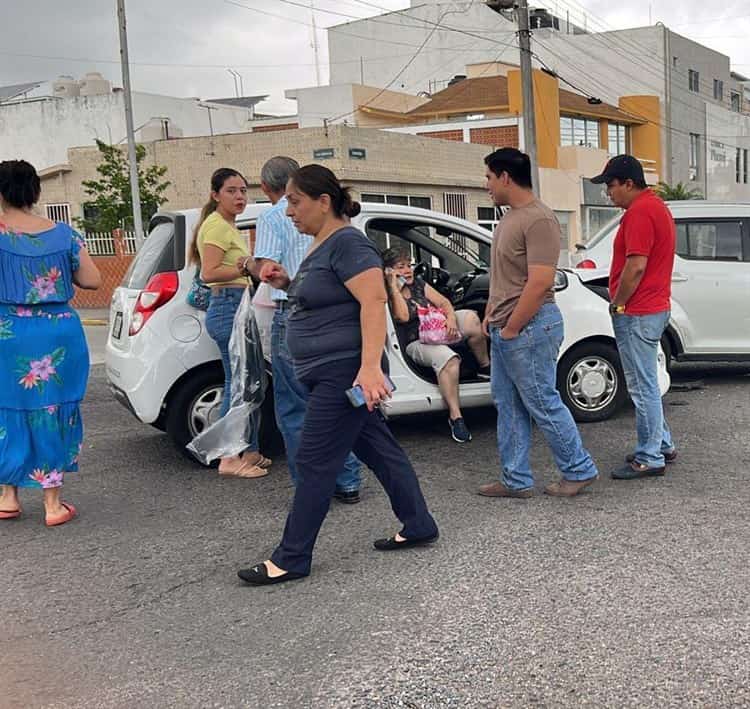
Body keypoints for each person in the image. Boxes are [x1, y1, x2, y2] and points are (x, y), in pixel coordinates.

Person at [237, 164, 439, 585]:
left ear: (323, 201)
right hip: (332, 370)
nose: (289, 211)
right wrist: (287, 280)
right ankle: (418, 523)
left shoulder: (349, 244)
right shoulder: (322, 244)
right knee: (379, 450)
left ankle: (292, 556)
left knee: (314, 459)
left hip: (344, 373)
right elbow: (327, 300)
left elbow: (372, 303)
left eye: (295, 201)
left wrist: (367, 369)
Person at [478, 148, 599, 498]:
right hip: (507, 327)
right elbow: (503, 276)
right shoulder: (508, 218)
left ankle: (578, 469)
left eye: (488, 177)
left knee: (542, 403)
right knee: (509, 404)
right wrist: (491, 313)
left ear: (505, 177)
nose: (486, 184)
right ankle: (515, 479)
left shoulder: (539, 219)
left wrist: (513, 326)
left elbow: (540, 281)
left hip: (529, 327)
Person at [247, 156, 362, 503]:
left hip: (294, 311)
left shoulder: (272, 215)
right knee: (338, 402)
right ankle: (348, 479)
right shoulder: (339, 222)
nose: (290, 211)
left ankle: (312, 487)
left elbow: (266, 266)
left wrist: (248, 264)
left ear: (268, 187)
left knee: (296, 406)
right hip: (338, 316)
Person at [0, 160, 101, 526]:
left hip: (7, 332)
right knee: (52, 408)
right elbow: (92, 279)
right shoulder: (65, 235)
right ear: (36, 192)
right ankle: (52, 503)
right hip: (56, 331)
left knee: (7, 408)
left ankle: (8, 496)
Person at [589, 155, 677, 479]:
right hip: (651, 307)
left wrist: (618, 303)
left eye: (611, 186)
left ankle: (650, 457)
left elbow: (636, 265)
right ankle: (662, 444)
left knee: (642, 387)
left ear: (629, 183)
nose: (608, 193)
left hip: (638, 310)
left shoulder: (640, 212)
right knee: (647, 382)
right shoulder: (655, 207)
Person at [189, 168, 270, 478]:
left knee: (246, 382)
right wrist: (246, 268)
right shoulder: (217, 228)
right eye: (231, 191)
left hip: (236, 307)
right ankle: (228, 458)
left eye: (242, 191)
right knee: (238, 385)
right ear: (215, 195)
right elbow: (209, 273)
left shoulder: (225, 226)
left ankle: (249, 450)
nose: (239, 197)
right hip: (227, 307)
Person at [382, 247, 490, 443]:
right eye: (401, 267)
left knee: (472, 320)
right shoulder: (389, 293)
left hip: (436, 328)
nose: (407, 270)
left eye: (409, 265)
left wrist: (450, 319)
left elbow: (444, 302)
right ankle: (456, 416)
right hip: (416, 341)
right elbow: (403, 316)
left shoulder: (419, 284)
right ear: (389, 271)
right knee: (448, 359)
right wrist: (394, 287)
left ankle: (485, 367)